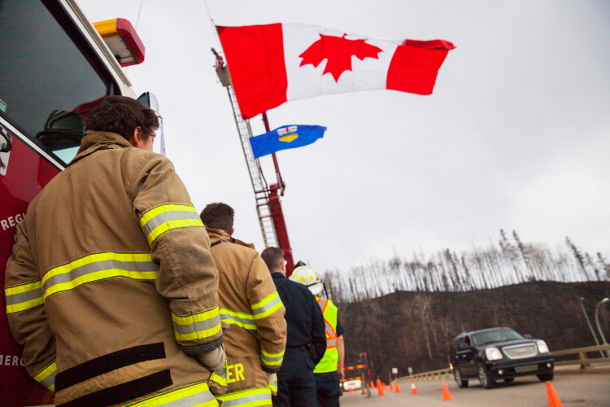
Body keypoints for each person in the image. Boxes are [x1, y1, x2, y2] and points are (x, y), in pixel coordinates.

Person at [4, 96, 224, 407]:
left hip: (78, 394)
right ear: (138, 135)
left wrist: (64, 377)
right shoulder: (147, 167)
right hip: (167, 386)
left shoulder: (38, 207)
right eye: (150, 141)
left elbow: (24, 307)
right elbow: (185, 259)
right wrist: (207, 347)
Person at [199, 203, 287, 406]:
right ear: (231, 231)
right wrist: (271, 368)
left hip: (200, 385)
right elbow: (273, 321)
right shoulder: (248, 259)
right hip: (249, 383)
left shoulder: (184, 261)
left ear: (201, 226)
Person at [260, 247, 326, 407]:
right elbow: (319, 334)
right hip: (302, 362)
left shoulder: (259, 292)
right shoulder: (303, 292)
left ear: (261, 266)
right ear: (283, 265)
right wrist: (309, 361)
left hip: (272, 365)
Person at [290, 265, 345, 407]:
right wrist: (340, 367)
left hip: (307, 372)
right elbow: (339, 340)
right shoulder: (330, 307)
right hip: (330, 374)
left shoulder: (293, 308)